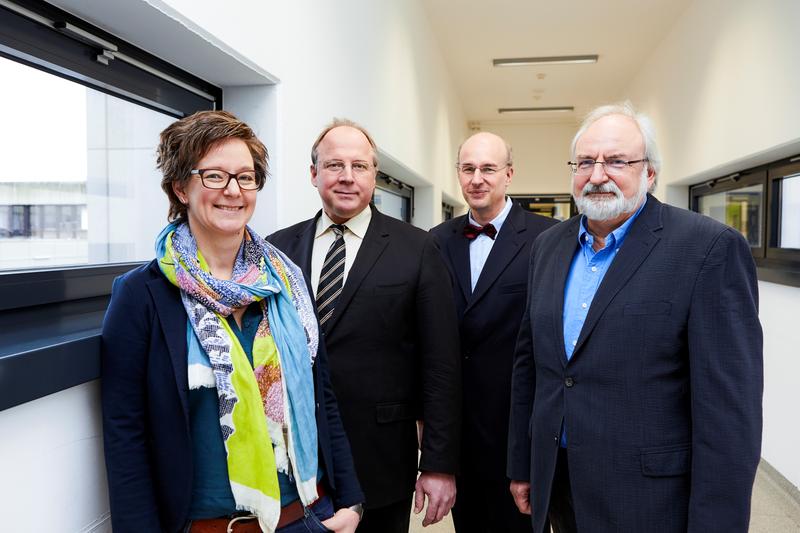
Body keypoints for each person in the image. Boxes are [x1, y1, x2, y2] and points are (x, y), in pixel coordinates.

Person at [101, 110, 364, 533]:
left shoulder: (286, 283)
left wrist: (350, 503)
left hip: (306, 517)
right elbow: (124, 433)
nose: (233, 191)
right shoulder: (141, 295)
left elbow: (322, 397)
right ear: (180, 188)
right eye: (214, 176)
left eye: (245, 177)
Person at [507, 102, 763, 533]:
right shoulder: (548, 247)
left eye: (617, 161)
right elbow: (531, 367)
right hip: (561, 482)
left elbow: (728, 413)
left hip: (651, 498)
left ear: (650, 172)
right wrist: (523, 463)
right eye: (585, 161)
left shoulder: (707, 249)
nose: (598, 174)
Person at [268, 119, 461, 532]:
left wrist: (439, 464)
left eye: (360, 166)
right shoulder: (277, 249)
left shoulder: (418, 248)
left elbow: (441, 363)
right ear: (313, 173)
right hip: (292, 458)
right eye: (335, 165)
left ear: (375, 175)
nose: (347, 177)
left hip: (380, 457)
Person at [430, 132, 556, 532]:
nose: (477, 179)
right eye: (468, 169)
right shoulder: (435, 241)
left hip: (517, 427)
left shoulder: (548, 238)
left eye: (488, 168)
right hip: (459, 428)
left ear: (509, 175)